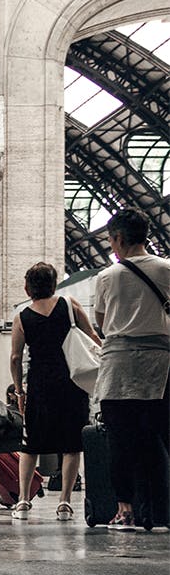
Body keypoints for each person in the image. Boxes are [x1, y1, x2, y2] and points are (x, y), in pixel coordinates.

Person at [93, 208, 170, 532]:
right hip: (161, 368)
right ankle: (160, 511)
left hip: (119, 369)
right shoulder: (167, 269)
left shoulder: (108, 277)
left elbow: (100, 322)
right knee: (159, 441)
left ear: (119, 239)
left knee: (121, 443)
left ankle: (125, 511)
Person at [10, 261, 99, 521]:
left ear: (28, 288)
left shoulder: (22, 317)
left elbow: (15, 357)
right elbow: (92, 336)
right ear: (53, 284)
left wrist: (19, 391)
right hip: (72, 383)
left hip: (39, 386)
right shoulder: (69, 305)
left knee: (30, 446)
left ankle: (24, 501)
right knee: (72, 445)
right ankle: (64, 503)